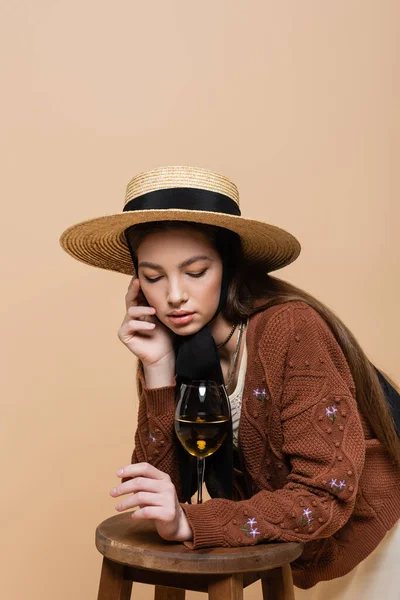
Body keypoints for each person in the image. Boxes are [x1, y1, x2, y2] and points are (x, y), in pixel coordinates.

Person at [59, 165, 400, 593]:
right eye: (153, 277)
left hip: (376, 533)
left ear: (228, 266)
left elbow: (324, 496)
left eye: (196, 272)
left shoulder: (290, 328)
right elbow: (167, 494)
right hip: (294, 545)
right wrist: (158, 370)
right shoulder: (173, 345)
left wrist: (190, 521)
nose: (174, 295)